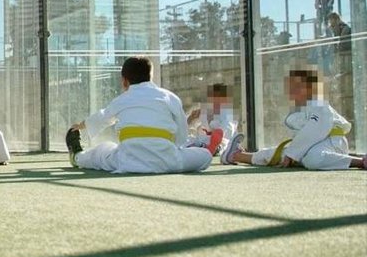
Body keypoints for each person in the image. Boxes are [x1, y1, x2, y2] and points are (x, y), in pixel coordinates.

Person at [65, 56, 212, 174]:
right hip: (168, 161)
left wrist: (81, 125)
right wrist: (175, 149)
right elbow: (181, 132)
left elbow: (104, 117)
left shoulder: (122, 100)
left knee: (101, 152)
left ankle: (77, 157)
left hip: (127, 160)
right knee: (205, 155)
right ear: (151, 76)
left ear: (124, 81)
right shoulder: (169, 97)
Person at [221, 69, 363, 169]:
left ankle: (361, 162)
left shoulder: (319, 104)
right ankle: (237, 155)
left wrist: (293, 153)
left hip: (331, 142)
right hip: (310, 144)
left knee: (313, 159)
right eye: (291, 87)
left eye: (297, 87)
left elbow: (316, 129)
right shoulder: (299, 109)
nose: (292, 91)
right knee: (277, 153)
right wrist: (293, 152)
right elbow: (303, 137)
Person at [185, 83, 237, 156]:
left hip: (221, 142)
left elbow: (227, 130)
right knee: (188, 141)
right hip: (203, 141)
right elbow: (186, 125)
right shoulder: (204, 111)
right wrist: (191, 118)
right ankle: (203, 148)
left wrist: (215, 135)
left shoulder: (227, 113)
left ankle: (213, 148)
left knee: (220, 143)